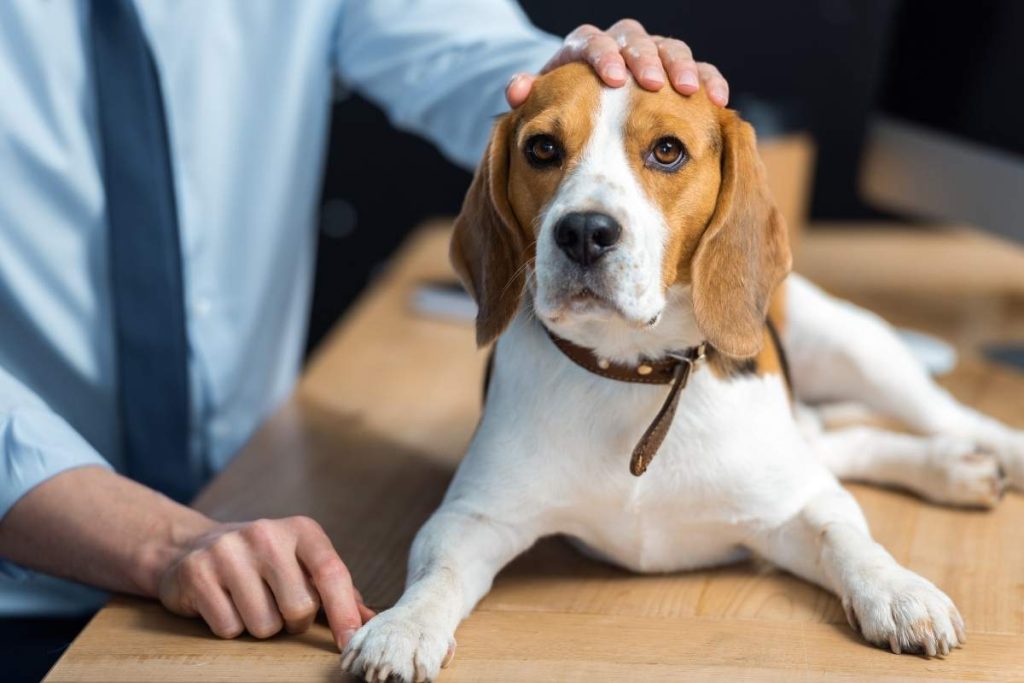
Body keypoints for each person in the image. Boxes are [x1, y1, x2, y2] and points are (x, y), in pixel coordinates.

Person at [0, 0, 729, 675]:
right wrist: (157, 538)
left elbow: (463, 53)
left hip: (271, 525)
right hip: (26, 592)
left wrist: (590, 84)